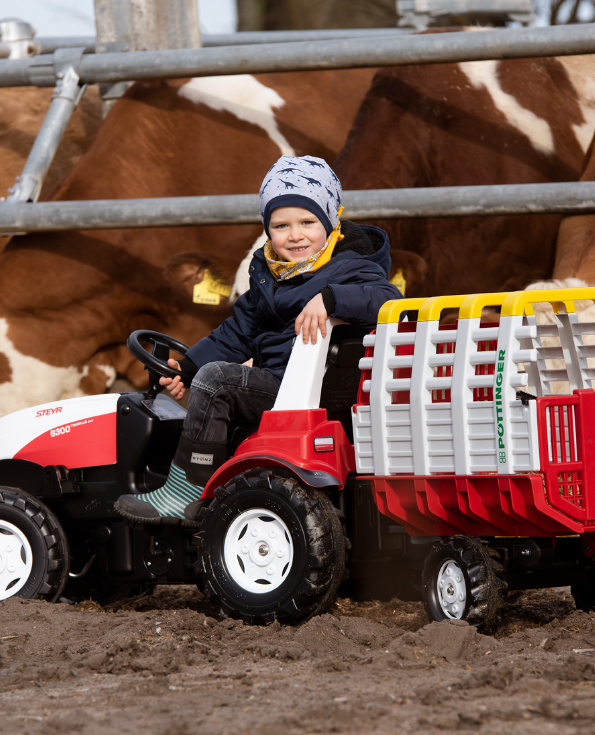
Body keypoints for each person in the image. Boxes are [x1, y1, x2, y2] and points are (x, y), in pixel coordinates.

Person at [114, 156, 402, 525]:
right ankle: (210, 479)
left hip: (314, 391)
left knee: (218, 380)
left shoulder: (352, 267)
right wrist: (187, 368)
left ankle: (186, 487)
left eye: (307, 222)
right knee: (210, 374)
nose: (295, 235)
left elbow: (387, 300)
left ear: (331, 221)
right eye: (281, 225)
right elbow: (236, 333)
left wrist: (331, 299)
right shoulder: (270, 277)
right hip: (282, 384)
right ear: (267, 230)